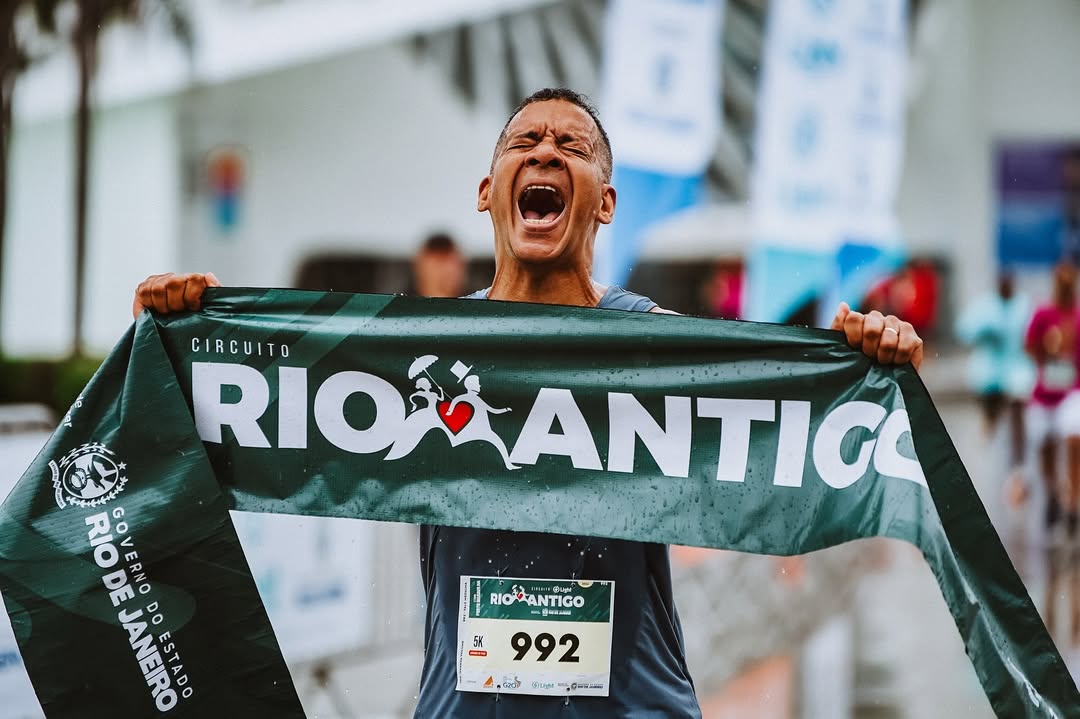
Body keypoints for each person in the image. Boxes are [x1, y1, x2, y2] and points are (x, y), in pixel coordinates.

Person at [132, 88, 923, 718]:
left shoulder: (659, 343)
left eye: (571, 146)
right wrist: (186, 334)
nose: (546, 150)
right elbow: (239, 398)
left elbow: (797, 398)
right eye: (525, 143)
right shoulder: (417, 347)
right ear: (488, 192)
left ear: (604, 202)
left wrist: (871, 358)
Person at [954, 273, 1035, 486]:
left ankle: (1018, 464)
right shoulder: (985, 306)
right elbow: (964, 330)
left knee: (1018, 406)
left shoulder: (1023, 306)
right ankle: (990, 428)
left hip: (1017, 370)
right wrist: (984, 331)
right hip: (989, 374)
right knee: (993, 414)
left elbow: (1033, 335)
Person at [1024, 262, 1080, 535]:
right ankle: (1053, 493)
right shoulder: (1044, 313)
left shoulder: (1078, 317)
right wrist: (1047, 351)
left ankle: (1072, 502)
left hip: (1072, 391)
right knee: (1044, 445)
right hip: (1045, 392)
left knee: (1073, 439)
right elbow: (1029, 345)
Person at [410, 232, 467, 298]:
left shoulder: (477, 302)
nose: (448, 268)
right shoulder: (400, 304)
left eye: (451, 261)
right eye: (439, 260)